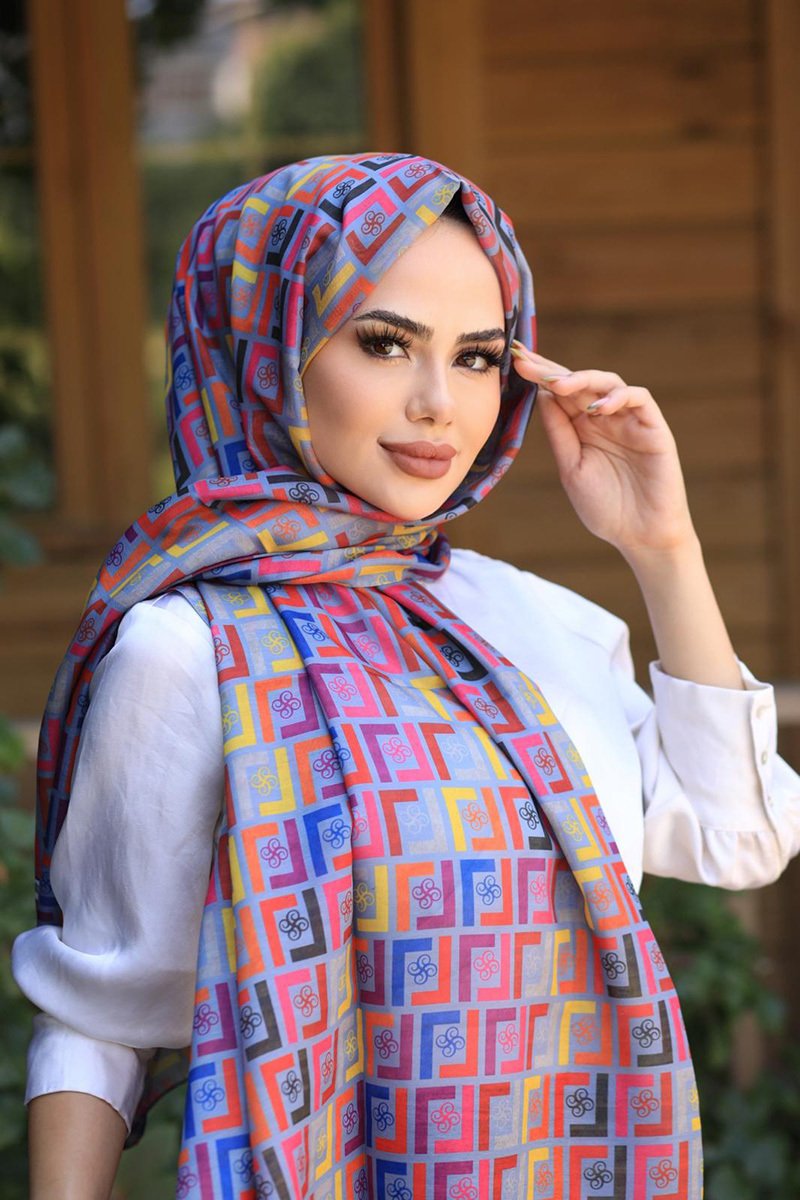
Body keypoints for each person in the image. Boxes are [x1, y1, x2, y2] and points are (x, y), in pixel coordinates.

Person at [12, 152, 800, 1200]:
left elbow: (737, 836)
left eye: (477, 358)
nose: (438, 403)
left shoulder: (529, 621)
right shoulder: (186, 649)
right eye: (383, 343)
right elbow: (103, 1018)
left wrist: (663, 547)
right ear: (265, 352)